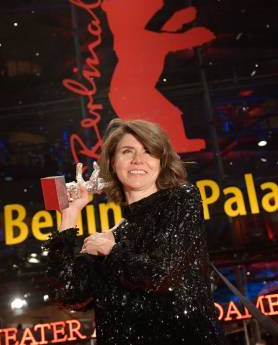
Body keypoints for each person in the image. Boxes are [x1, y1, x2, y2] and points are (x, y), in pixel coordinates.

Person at [42, 119, 224, 345]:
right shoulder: (112, 236)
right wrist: (70, 215)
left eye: (148, 151)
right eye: (127, 151)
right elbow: (67, 294)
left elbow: (160, 275)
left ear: (161, 161)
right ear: (112, 162)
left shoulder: (181, 199)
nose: (138, 159)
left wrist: (110, 250)